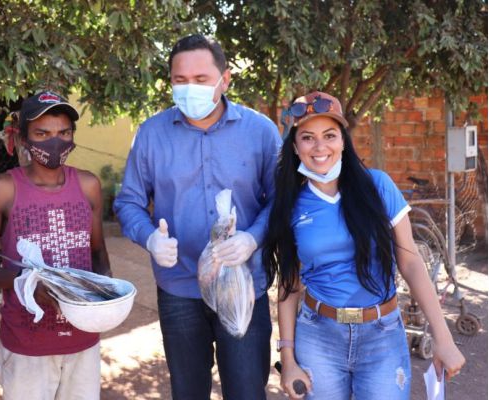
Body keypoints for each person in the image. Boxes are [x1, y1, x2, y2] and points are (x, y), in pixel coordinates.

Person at [261, 91, 466, 399]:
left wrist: (443, 337)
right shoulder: (291, 203)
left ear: (343, 140)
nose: (320, 147)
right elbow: (289, 284)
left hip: (382, 334)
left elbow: (410, 263)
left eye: (329, 135)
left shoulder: (378, 186)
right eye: (307, 138)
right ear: (294, 146)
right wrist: (288, 360)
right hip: (318, 335)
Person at [114, 34, 281, 399]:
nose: (190, 88)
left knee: (247, 391)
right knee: (188, 392)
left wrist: (253, 237)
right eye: (180, 80)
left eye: (201, 79)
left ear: (225, 79)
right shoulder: (151, 134)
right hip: (179, 288)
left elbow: (282, 200)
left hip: (244, 287)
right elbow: (128, 202)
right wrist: (150, 238)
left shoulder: (261, 132)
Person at [0, 90, 112, 400]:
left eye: (63, 133)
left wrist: (104, 304)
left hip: (83, 340)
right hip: (26, 344)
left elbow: (97, 252)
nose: (54, 142)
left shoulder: (88, 185)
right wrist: (25, 283)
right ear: (23, 139)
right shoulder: (4, 189)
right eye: (42, 134)